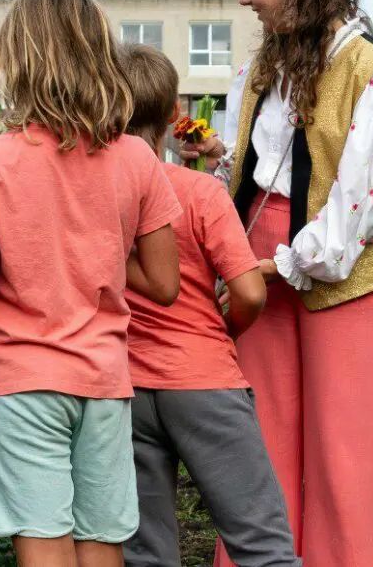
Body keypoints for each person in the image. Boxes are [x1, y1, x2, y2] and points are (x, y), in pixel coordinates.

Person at [183, 0, 373, 567]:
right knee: (258, 455)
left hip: (338, 278)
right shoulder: (264, 65)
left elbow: (363, 206)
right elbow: (262, 168)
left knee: (341, 465)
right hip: (265, 270)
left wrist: (283, 263)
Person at [0, 0, 183, 567]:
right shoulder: (137, 158)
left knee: (42, 540)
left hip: (24, 377)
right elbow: (164, 282)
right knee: (100, 541)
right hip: (103, 377)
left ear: (18, 61)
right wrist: (93, 248)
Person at [116, 44, 300, 567]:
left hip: (125, 386)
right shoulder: (197, 192)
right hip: (202, 379)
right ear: (171, 110)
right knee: (261, 545)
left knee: (145, 553)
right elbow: (247, 290)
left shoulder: (95, 193)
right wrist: (227, 331)